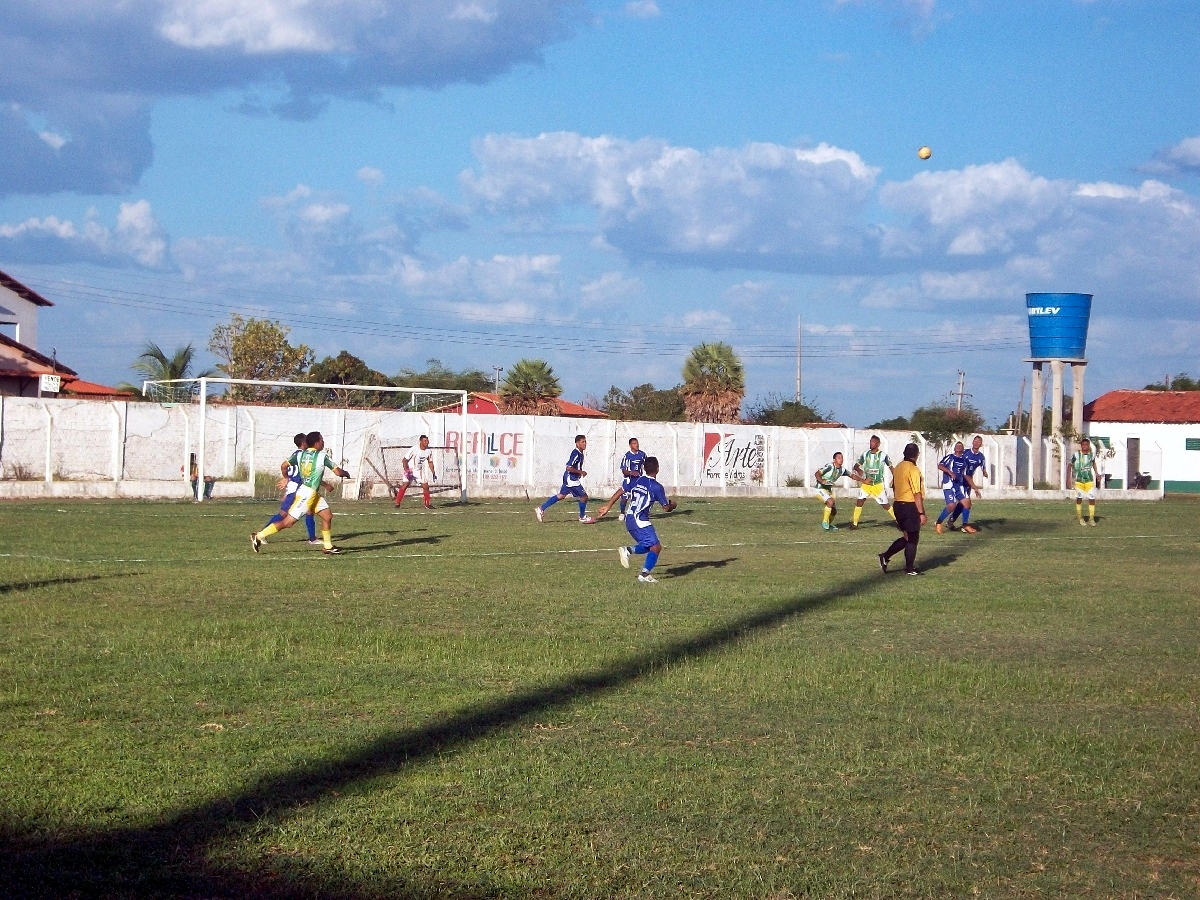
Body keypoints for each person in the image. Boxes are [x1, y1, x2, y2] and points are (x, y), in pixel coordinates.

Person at [251, 431, 351, 555]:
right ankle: (259, 536)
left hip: (312, 494)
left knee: (327, 516)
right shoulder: (322, 456)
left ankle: (328, 546)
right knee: (288, 522)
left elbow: (283, 466)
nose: (323, 442)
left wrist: (286, 477)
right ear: (316, 443)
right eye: (321, 440)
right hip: (307, 495)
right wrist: (346, 473)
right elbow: (338, 473)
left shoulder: (300, 455)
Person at [617, 456, 677, 583]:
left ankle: (628, 551)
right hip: (640, 520)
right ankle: (643, 575)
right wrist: (673, 505)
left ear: (643, 468)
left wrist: (607, 506)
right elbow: (666, 508)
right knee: (655, 547)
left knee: (651, 546)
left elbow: (621, 490)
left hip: (629, 518)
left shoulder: (638, 480)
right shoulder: (656, 486)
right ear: (658, 469)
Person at [260, 433, 318, 545]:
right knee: (283, 514)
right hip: (297, 488)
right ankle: (261, 534)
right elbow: (298, 472)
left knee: (309, 510)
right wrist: (286, 479)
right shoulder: (303, 455)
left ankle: (312, 538)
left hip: (298, 487)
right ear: (303, 443)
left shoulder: (296, 454)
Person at [878, 442, 927, 575]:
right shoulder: (913, 469)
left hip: (898, 505)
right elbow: (916, 493)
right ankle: (909, 568)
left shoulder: (899, 467)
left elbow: (893, 486)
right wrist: (921, 513)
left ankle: (885, 556)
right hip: (908, 506)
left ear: (904, 454)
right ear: (917, 455)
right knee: (913, 538)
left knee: (907, 536)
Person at [536, 434, 594, 523]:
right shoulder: (576, 453)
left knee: (561, 495)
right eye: (582, 442)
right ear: (577, 443)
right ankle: (582, 517)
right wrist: (581, 472)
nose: (585, 443)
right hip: (571, 479)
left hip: (569, 478)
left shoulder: (580, 453)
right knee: (584, 497)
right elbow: (569, 467)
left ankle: (541, 508)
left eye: (585, 441)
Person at [850, 435, 897, 529]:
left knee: (886, 505)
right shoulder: (865, 454)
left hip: (878, 484)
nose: (871, 443)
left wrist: (895, 478)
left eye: (873, 442)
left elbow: (891, 467)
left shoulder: (883, 456)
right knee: (860, 501)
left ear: (878, 444)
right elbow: (856, 466)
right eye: (870, 441)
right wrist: (859, 471)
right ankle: (854, 524)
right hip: (867, 484)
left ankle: (899, 522)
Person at [596, 437, 647, 520]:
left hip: (639, 480)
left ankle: (639, 513)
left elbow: (646, 464)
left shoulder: (642, 454)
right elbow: (624, 470)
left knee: (639, 497)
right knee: (624, 498)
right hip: (629, 480)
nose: (637, 445)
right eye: (634, 443)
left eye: (637, 443)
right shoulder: (627, 456)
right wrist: (631, 472)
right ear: (630, 445)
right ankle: (622, 512)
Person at [814, 451, 865, 531]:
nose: (841, 459)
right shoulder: (829, 466)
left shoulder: (842, 470)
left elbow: (852, 475)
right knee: (830, 502)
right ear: (834, 460)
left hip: (828, 491)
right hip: (819, 489)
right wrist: (821, 480)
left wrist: (863, 480)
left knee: (834, 511)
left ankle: (828, 525)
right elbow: (817, 473)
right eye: (839, 458)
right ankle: (824, 523)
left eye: (842, 458)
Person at [947, 435, 985, 533]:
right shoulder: (966, 453)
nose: (976, 443)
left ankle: (951, 521)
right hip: (960, 481)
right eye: (975, 441)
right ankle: (964, 525)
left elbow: (983, 466)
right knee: (965, 503)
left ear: (981, 444)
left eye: (978, 441)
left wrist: (985, 472)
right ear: (972, 442)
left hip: (968, 482)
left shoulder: (981, 457)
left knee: (963, 504)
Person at [934, 441, 969, 534]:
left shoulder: (964, 461)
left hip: (959, 485)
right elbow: (940, 465)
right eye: (956, 445)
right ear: (954, 448)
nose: (958, 447)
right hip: (949, 484)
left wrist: (973, 486)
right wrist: (949, 472)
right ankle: (938, 523)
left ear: (963, 449)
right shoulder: (950, 457)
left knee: (967, 504)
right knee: (951, 506)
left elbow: (965, 475)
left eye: (960, 446)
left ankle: (965, 525)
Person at [394, 434, 437, 509]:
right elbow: (404, 460)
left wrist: (433, 473)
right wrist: (406, 470)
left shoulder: (428, 451)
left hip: (419, 471)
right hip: (410, 469)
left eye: (427, 440)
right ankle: (397, 503)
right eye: (425, 441)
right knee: (405, 485)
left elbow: (430, 462)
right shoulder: (414, 449)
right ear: (420, 441)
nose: (426, 442)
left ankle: (427, 504)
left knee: (426, 486)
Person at [1071, 437, 1099, 526]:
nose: (1084, 446)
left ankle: (1091, 519)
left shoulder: (1091, 455)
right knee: (1079, 499)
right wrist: (1068, 478)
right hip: (1079, 481)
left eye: (1086, 445)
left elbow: (1093, 463)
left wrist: (1097, 473)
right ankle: (1080, 518)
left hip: (1089, 481)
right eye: (1083, 445)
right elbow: (1069, 465)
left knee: (1092, 499)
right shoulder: (1076, 455)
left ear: (1089, 446)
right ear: (1081, 446)